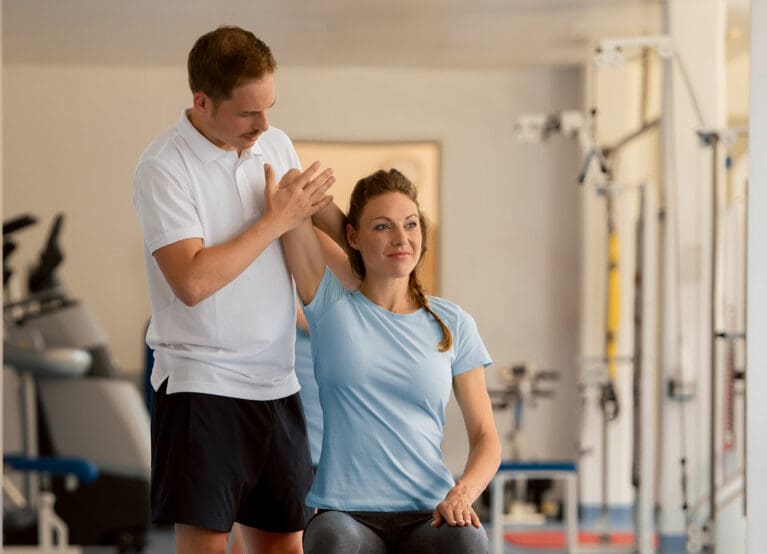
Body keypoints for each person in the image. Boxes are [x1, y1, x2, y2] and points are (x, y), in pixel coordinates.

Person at [132, 26, 339, 554]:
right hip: (203, 386)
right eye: (249, 113)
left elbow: (309, 225)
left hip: (277, 382)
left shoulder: (274, 142)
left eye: (269, 107)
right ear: (202, 101)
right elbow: (193, 281)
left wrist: (382, 240)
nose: (264, 124)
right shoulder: (163, 167)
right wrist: (275, 221)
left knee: (283, 550)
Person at [280, 167, 502, 553]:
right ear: (352, 234)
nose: (402, 238)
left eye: (411, 224)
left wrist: (462, 493)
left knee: (469, 539)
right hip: (346, 516)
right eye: (382, 227)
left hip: (429, 513)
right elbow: (291, 194)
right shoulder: (329, 304)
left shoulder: (453, 322)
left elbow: (486, 437)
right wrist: (350, 228)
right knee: (331, 540)